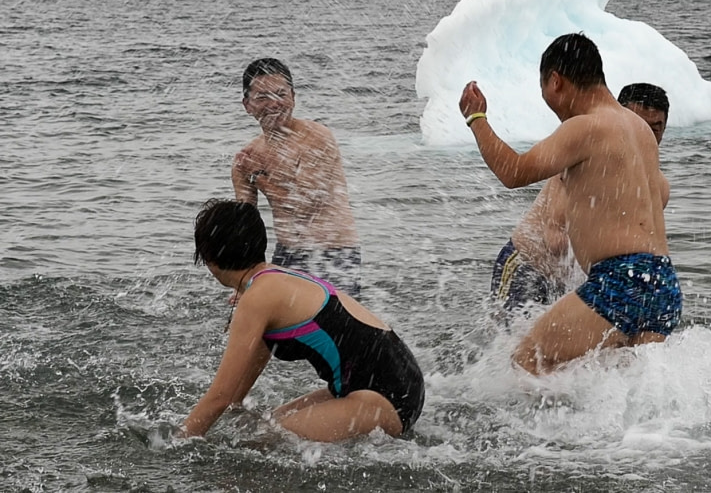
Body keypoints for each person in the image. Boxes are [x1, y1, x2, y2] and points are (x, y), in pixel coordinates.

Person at [460, 33, 682, 375]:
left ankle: (538, 430)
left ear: (555, 81)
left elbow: (514, 172)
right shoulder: (639, 129)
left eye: (545, 91)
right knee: (624, 382)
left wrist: (477, 119)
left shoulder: (585, 126)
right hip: (662, 282)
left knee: (527, 362)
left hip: (619, 281)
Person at [180, 199, 424, 442]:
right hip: (398, 382)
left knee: (269, 441)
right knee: (267, 425)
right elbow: (233, 395)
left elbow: (220, 395)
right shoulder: (273, 282)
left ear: (209, 259)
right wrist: (232, 416)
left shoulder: (257, 298)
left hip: (384, 397)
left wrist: (177, 442)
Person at [490, 83, 671, 317]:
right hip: (527, 265)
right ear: (621, 120)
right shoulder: (585, 164)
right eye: (639, 123)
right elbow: (555, 239)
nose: (646, 134)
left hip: (579, 281)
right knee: (509, 347)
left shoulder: (659, 188)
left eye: (656, 128)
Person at [232, 58, 363, 296]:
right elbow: (247, 226)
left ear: (293, 97)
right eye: (261, 97)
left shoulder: (316, 137)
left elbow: (306, 204)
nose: (273, 103)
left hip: (332, 251)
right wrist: (246, 279)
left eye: (281, 94)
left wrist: (258, 176)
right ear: (247, 105)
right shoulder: (248, 156)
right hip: (286, 253)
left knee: (330, 328)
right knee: (257, 322)